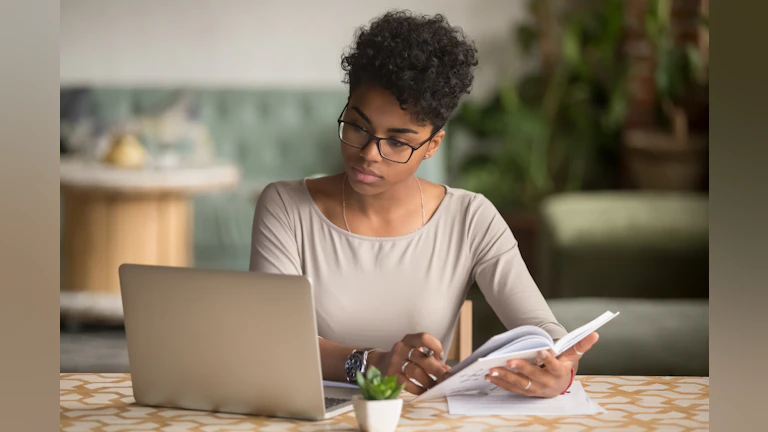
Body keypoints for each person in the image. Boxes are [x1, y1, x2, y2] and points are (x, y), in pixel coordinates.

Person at [250, 10, 599, 398]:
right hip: (311, 417)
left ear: (432, 145)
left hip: (423, 419)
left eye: (397, 141)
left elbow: (540, 327)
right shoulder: (284, 206)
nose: (369, 153)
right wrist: (370, 364)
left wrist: (560, 369)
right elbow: (272, 338)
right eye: (357, 126)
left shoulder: (471, 218)